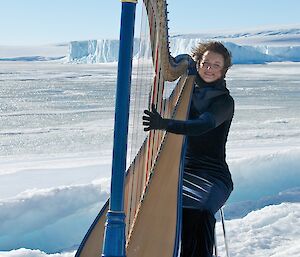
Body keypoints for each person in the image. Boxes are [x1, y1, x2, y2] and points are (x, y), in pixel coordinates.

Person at [143, 41, 234, 257]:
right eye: (205, 63)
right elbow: (158, 106)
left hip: (213, 175)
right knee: (151, 208)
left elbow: (202, 126)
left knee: (199, 213)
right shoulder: (185, 92)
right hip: (182, 172)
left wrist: (165, 124)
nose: (209, 68)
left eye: (216, 65)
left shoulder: (224, 101)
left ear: (223, 70)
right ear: (198, 63)